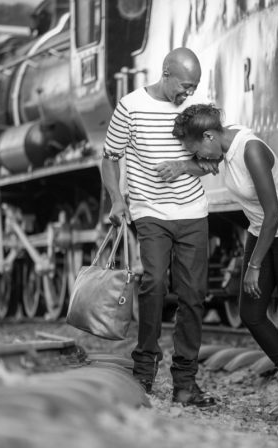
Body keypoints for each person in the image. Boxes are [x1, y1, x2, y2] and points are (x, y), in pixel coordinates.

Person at [172, 104, 278, 428]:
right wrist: (177, 165)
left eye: (196, 148)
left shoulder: (251, 150)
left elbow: (274, 212)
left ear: (208, 136)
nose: (199, 156)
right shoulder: (222, 150)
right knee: (251, 313)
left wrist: (254, 266)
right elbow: (206, 163)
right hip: (261, 230)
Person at [101, 48, 218, 407]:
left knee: (194, 295)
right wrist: (116, 201)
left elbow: (212, 162)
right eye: (184, 86)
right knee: (153, 283)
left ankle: (185, 382)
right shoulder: (131, 106)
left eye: (194, 87)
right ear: (165, 73)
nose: (189, 94)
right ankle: (144, 373)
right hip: (149, 210)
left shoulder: (193, 111)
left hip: (192, 212)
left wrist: (182, 167)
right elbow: (109, 159)